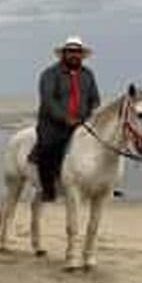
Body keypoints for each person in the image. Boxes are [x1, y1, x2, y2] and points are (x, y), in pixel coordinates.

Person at [35, 35, 101, 202]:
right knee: (46, 148)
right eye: (70, 52)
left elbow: (95, 99)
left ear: (81, 55)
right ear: (63, 54)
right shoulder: (49, 74)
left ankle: (98, 183)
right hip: (52, 123)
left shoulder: (88, 75)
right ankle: (47, 189)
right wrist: (65, 118)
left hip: (82, 122)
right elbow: (48, 100)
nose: (74, 55)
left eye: (77, 52)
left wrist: (90, 115)